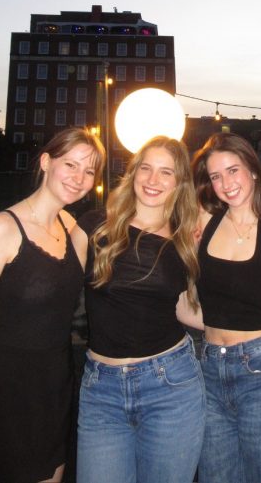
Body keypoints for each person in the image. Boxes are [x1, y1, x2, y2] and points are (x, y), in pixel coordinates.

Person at [0, 127, 105, 483]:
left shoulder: (71, 226)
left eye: (89, 170)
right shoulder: (1, 228)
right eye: (70, 164)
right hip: (7, 392)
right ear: (46, 162)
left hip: (57, 391)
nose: (79, 177)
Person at [73, 136, 206, 483]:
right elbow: (53, 283)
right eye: (145, 168)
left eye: (166, 172)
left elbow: (188, 309)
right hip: (101, 389)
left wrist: (256, 326)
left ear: (179, 183)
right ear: (133, 173)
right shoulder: (94, 225)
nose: (152, 180)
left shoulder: (185, 240)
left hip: (170, 385)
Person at [192, 132, 261, 483]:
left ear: (253, 170)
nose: (226, 184)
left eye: (233, 170)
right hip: (209, 369)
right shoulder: (203, 226)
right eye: (216, 176)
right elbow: (188, 305)